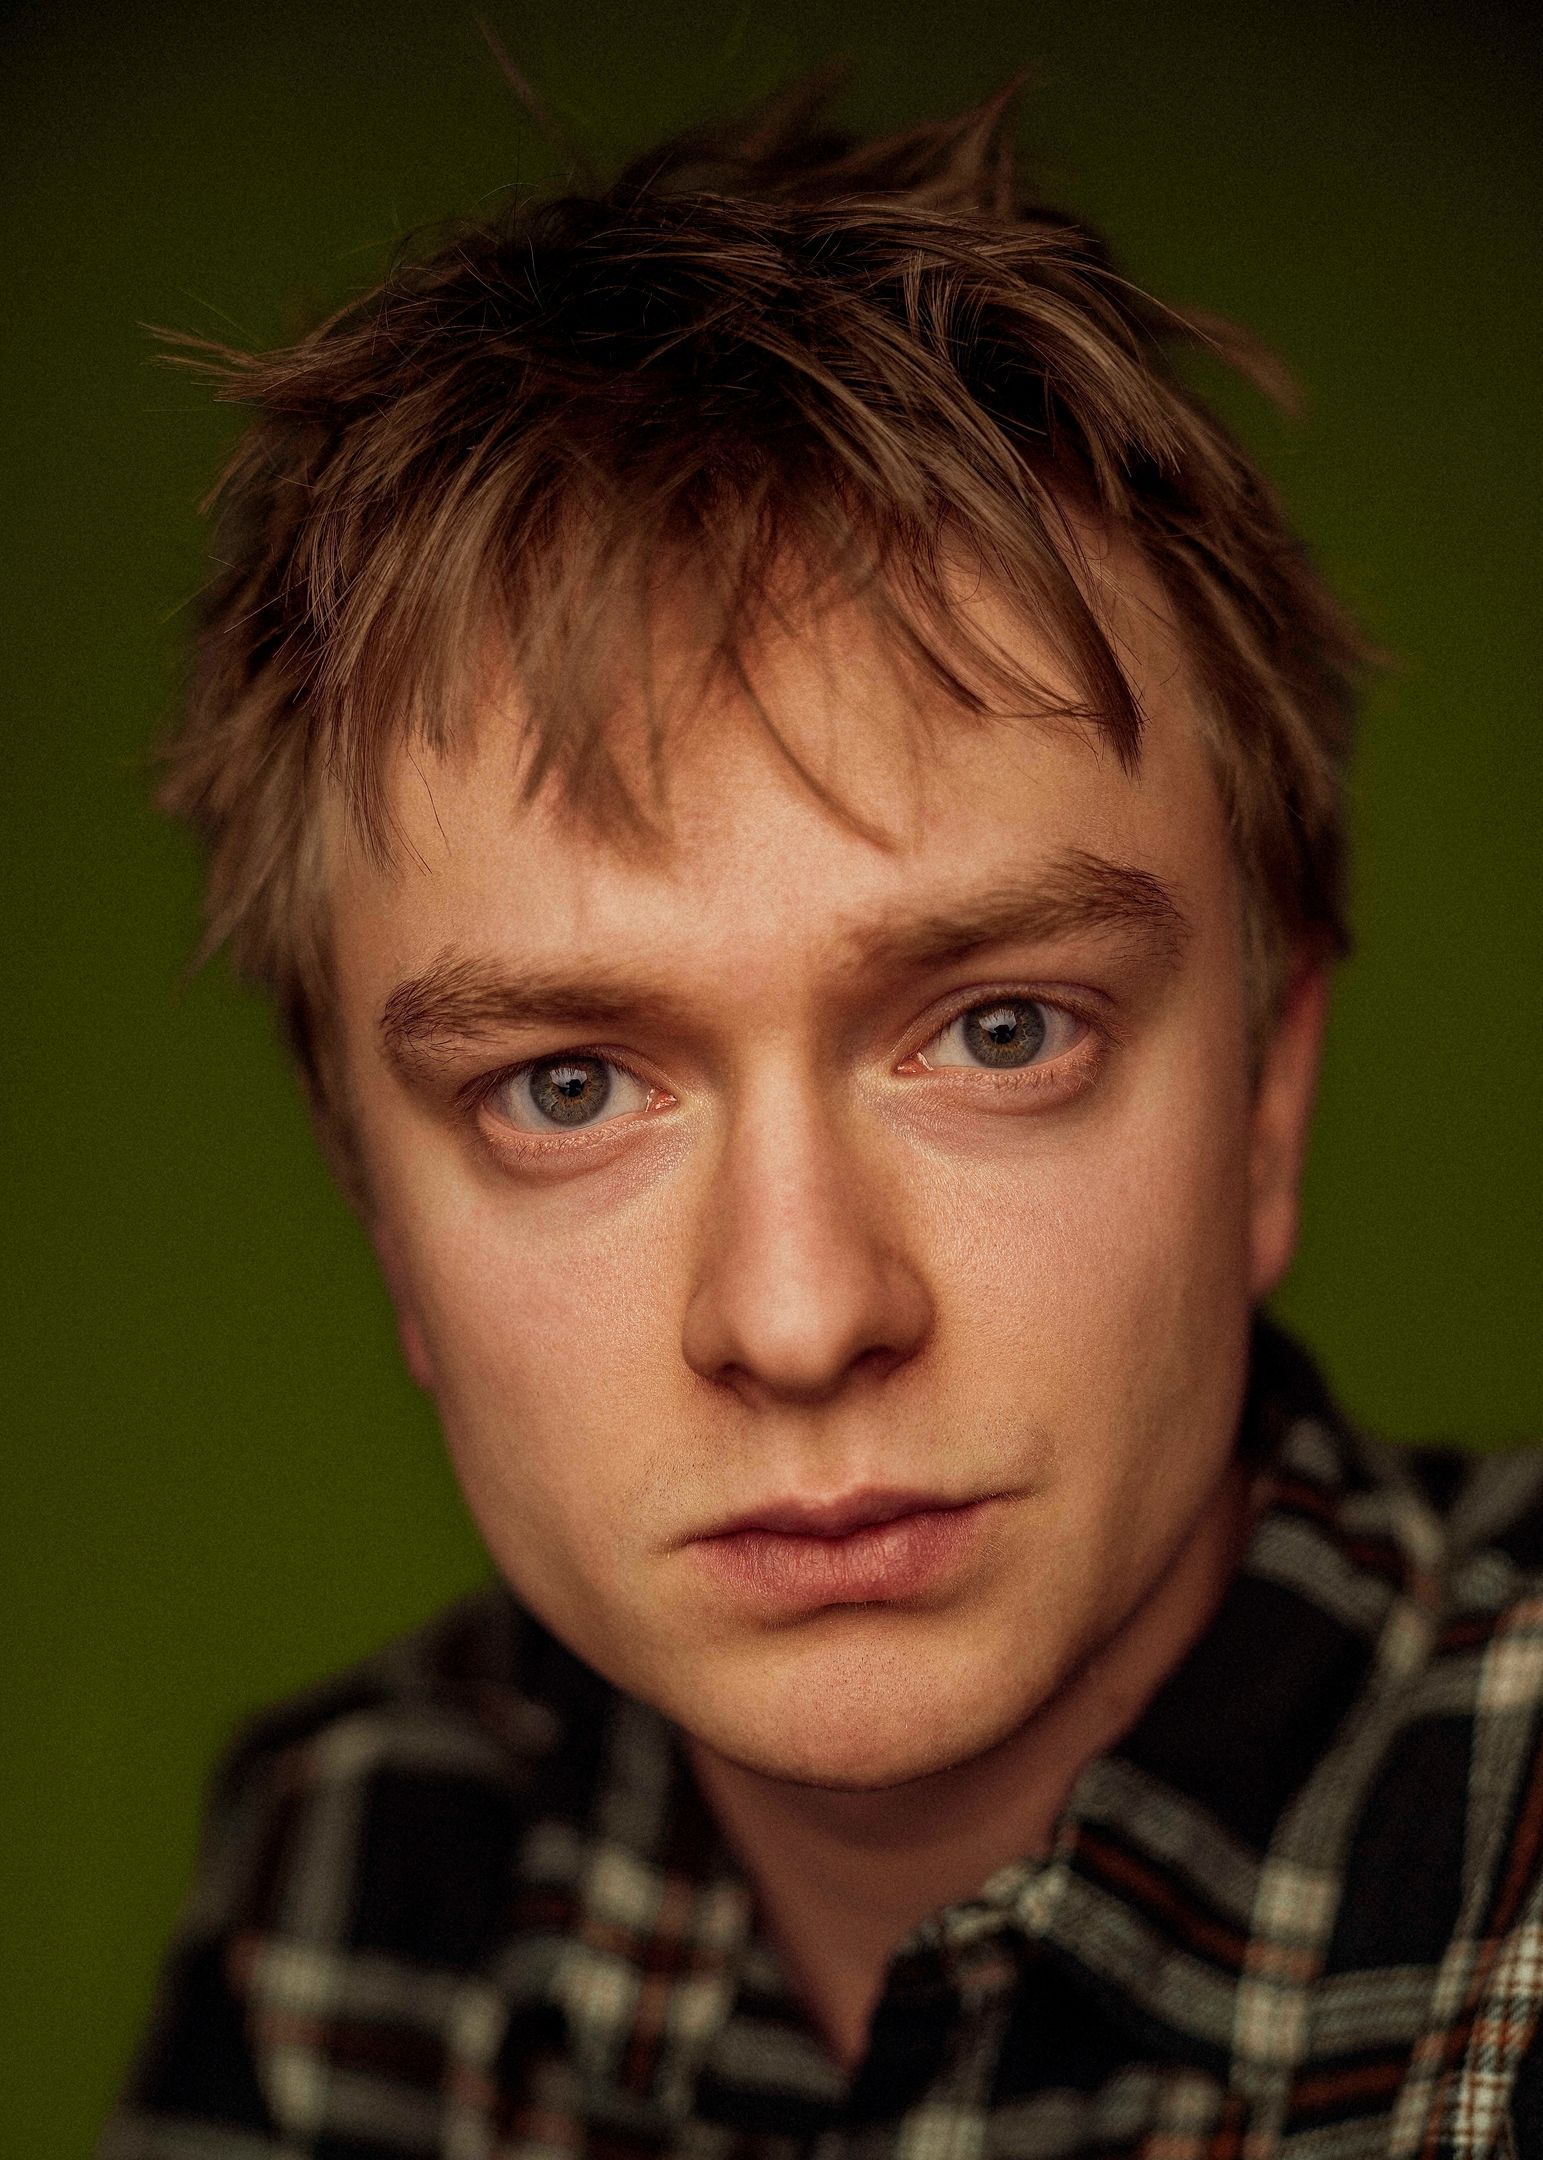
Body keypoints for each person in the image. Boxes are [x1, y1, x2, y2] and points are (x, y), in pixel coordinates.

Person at [100, 80, 1543, 2160]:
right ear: (378, 1210)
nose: (798, 1315)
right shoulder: (348, 1888)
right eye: (567, 1087)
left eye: (1000, 1031)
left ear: (1266, 1100)